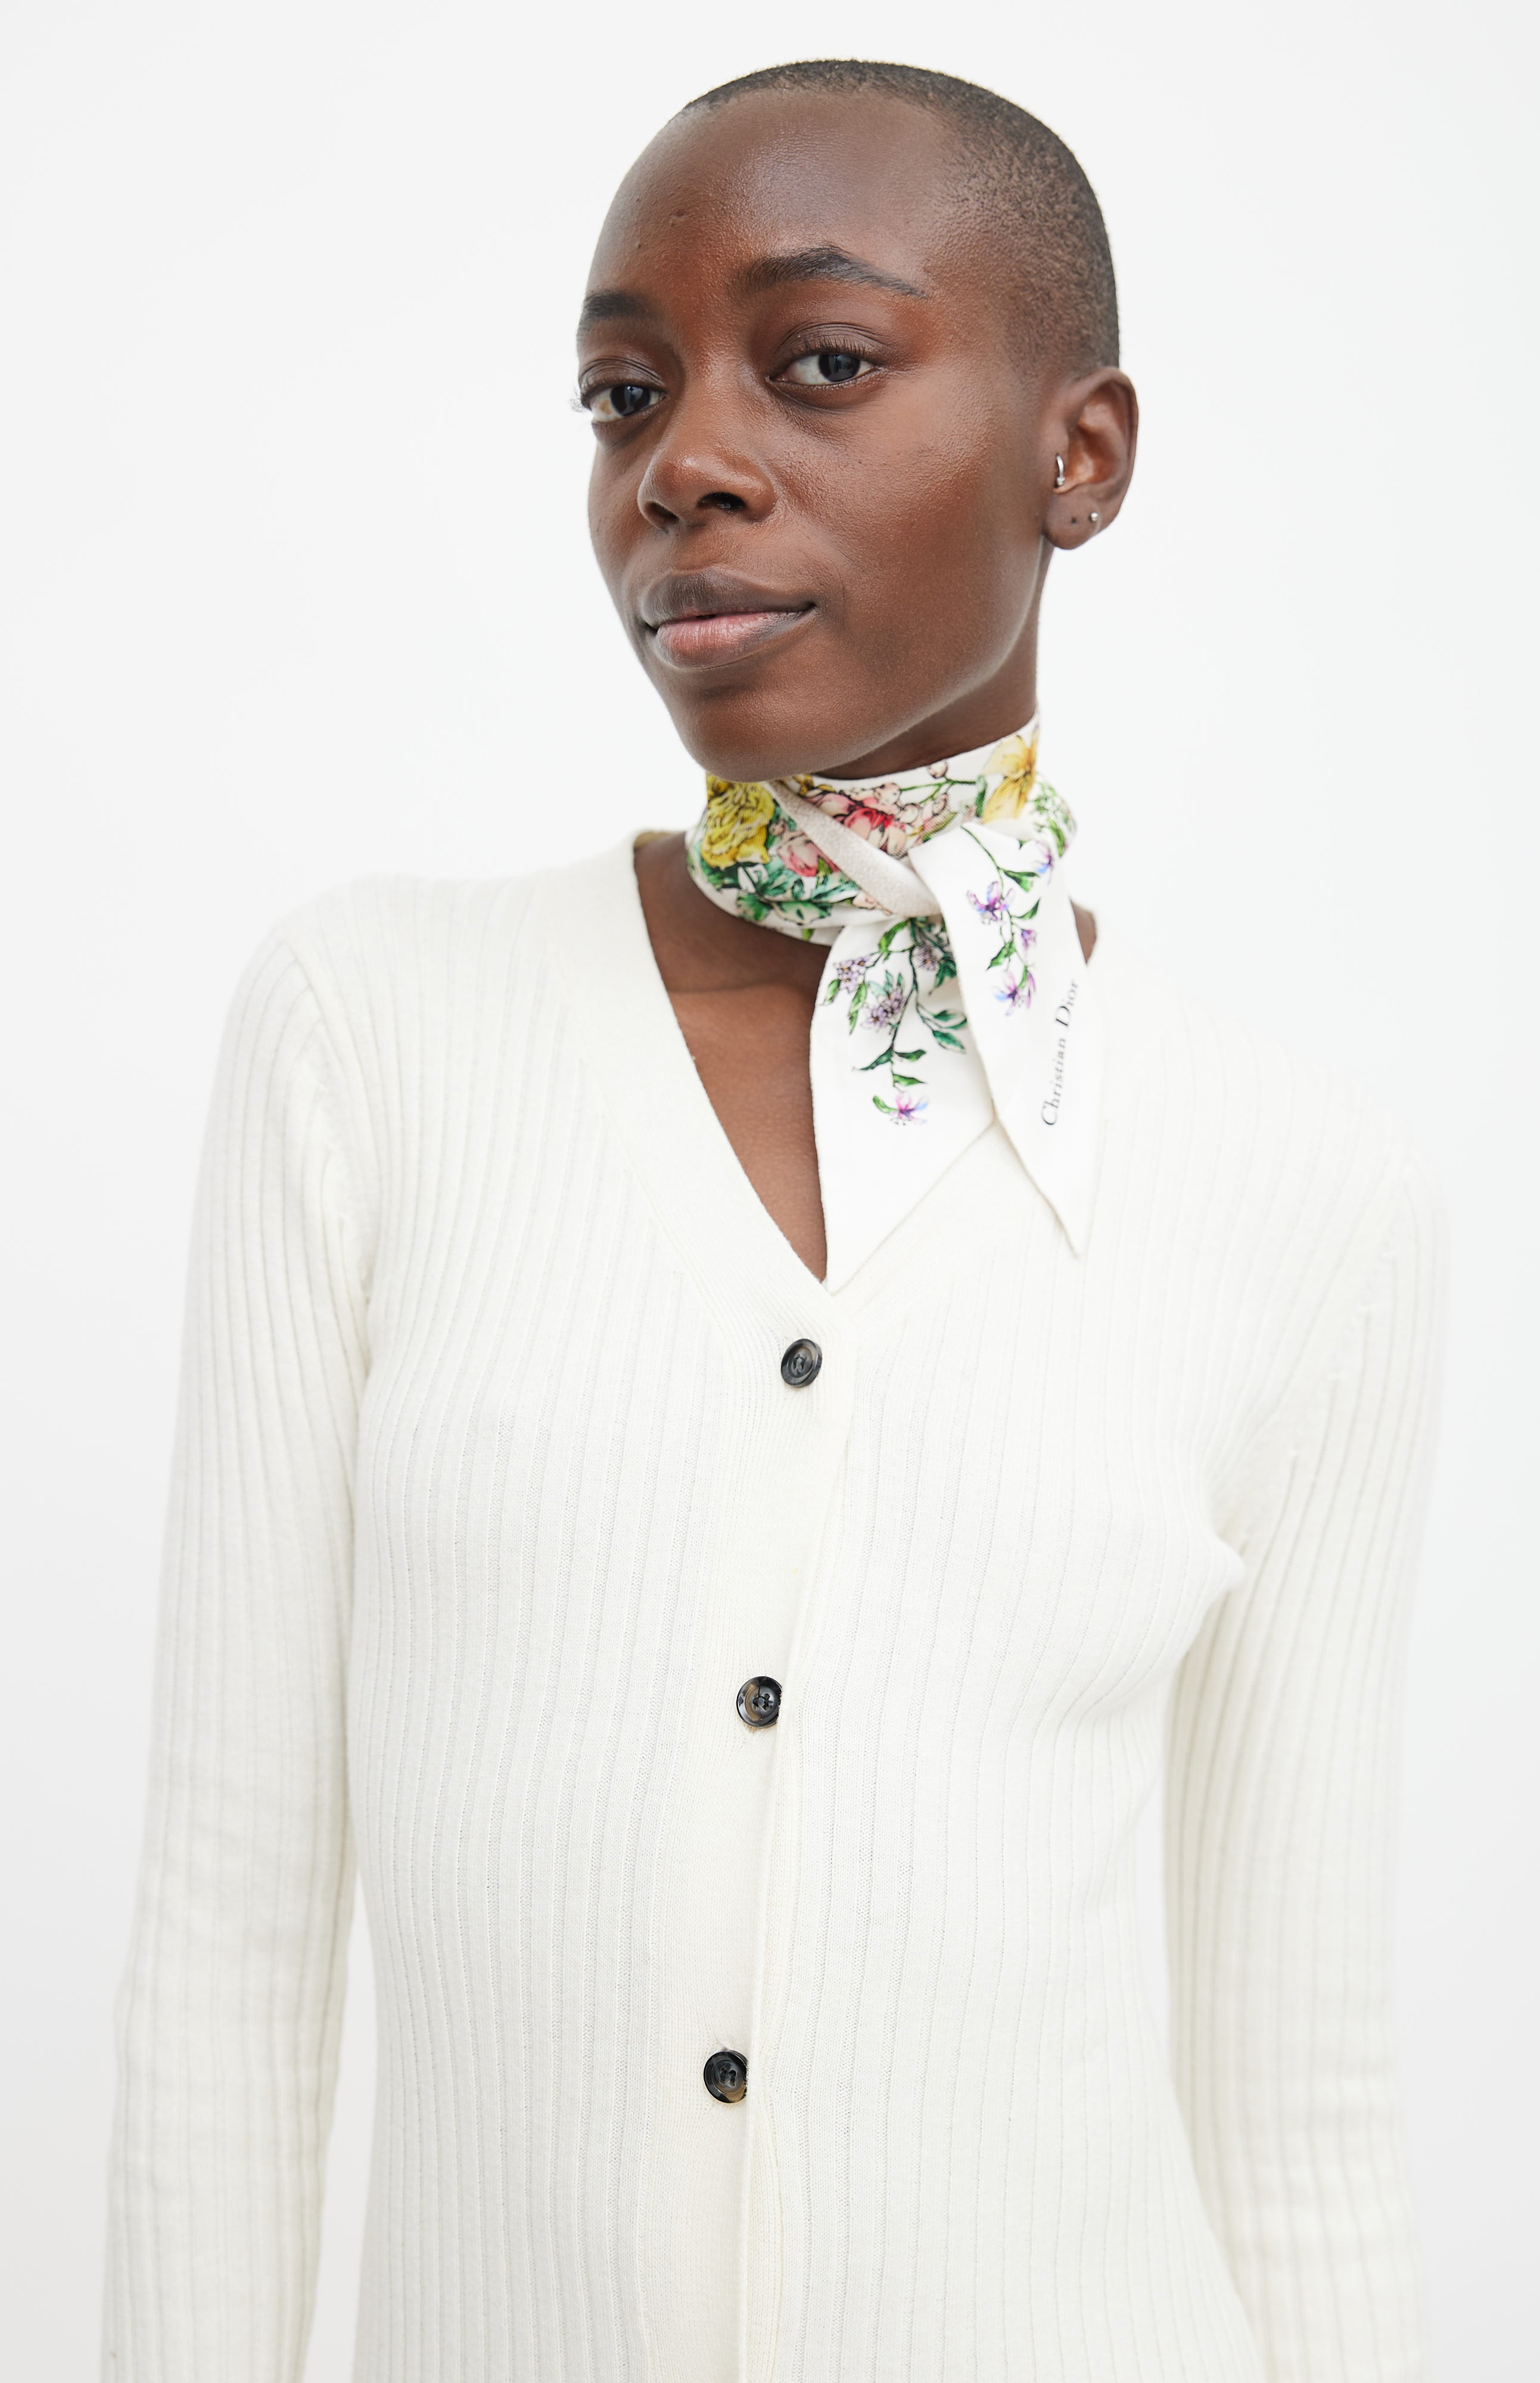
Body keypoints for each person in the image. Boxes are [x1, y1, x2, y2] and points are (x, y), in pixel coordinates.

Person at [104, 58, 1443, 2383]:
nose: (681, 465)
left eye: (818, 362)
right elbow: (229, 1946)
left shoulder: (1305, 1191)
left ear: (1080, 453)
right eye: (623, 396)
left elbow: (1298, 2104)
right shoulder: (371, 1035)